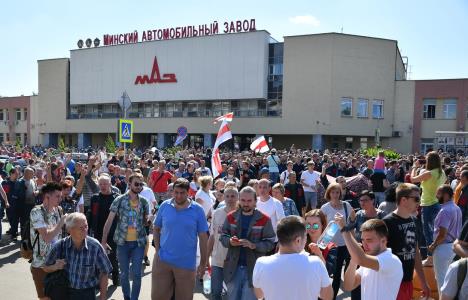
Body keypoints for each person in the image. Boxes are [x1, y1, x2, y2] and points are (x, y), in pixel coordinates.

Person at [151, 178, 209, 300]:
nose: (178, 195)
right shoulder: (165, 205)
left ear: (188, 193)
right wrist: (157, 251)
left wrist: (203, 263)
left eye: (182, 193)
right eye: (176, 192)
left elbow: (203, 238)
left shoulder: (198, 210)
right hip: (163, 261)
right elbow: (156, 228)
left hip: (186, 264)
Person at [253, 216, 333, 300]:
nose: (306, 239)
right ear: (298, 240)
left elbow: (259, 295)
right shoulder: (316, 262)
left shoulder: (261, 263)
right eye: (305, 236)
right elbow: (327, 296)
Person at [220, 186, 275, 300]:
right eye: (243, 200)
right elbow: (223, 236)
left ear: (255, 201)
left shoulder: (264, 219)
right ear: (239, 200)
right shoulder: (231, 216)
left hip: (254, 268)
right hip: (233, 268)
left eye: (249, 200)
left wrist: (253, 245)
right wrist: (230, 241)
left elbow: (270, 243)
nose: (246, 203)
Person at [101, 173, 149, 300]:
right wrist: (103, 241)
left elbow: (145, 222)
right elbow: (109, 221)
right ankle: (127, 297)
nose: (139, 187)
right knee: (124, 274)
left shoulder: (144, 202)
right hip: (122, 243)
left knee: (137, 274)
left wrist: (148, 220)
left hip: (138, 243)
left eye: (141, 184)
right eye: (136, 184)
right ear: (129, 184)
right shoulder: (120, 199)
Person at [44, 213, 112, 300]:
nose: (85, 230)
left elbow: (104, 272)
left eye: (86, 226)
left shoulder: (95, 246)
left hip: (87, 294)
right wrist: (55, 266)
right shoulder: (60, 246)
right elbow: (45, 267)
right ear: (70, 230)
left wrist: (103, 297)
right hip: (64, 292)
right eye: (81, 228)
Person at [383, 183, 431, 300]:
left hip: (408, 281)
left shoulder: (414, 220)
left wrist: (423, 282)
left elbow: (416, 252)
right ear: (403, 200)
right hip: (391, 283)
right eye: (416, 199)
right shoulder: (386, 223)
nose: (419, 202)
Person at [338, 217, 403, 300]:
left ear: (383, 241)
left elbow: (361, 259)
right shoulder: (366, 261)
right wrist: (353, 261)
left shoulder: (391, 260)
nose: (364, 245)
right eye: (362, 240)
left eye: (369, 240)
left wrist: (344, 229)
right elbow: (348, 286)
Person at [29, 182, 67, 300]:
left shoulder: (58, 210)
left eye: (61, 196)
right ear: (47, 197)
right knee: (45, 298)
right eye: (57, 196)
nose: (60, 199)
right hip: (41, 265)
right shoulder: (36, 212)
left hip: (58, 263)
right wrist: (61, 223)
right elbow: (47, 237)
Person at [410, 151, 447, 266]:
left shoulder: (429, 173)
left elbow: (412, 179)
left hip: (428, 205)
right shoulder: (442, 173)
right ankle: (436, 257)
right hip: (438, 204)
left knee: (428, 232)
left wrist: (414, 167)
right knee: (437, 231)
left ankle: (430, 258)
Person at [320, 183, 356, 298]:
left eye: (337, 192)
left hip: (343, 243)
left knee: (337, 272)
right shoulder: (325, 208)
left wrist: (348, 228)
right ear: (329, 193)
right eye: (333, 192)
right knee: (325, 272)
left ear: (340, 193)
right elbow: (321, 225)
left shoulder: (346, 205)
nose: (335, 195)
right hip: (328, 244)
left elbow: (353, 218)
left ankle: (333, 296)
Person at [88, 174, 120, 286]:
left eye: (105, 184)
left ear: (110, 184)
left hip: (113, 232)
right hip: (97, 232)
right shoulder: (95, 198)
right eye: (100, 184)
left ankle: (115, 275)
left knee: (112, 256)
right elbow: (90, 214)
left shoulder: (116, 198)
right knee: (97, 257)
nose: (103, 186)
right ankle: (98, 280)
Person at [429, 185, 462, 292]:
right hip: (452, 248)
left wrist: (433, 245)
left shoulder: (445, 210)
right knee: (448, 280)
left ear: (446, 195)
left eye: (438, 193)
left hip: (443, 248)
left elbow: (442, 234)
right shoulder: (456, 208)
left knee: (441, 280)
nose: (436, 196)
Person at [208, 187, 239, 300]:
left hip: (235, 262)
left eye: (233, 196)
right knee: (215, 293)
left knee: (233, 295)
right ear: (223, 198)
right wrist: (206, 259)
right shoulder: (217, 213)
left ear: (238, 197)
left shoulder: (242, 214)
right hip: (217, 260)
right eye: (227, 196)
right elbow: (212, 236)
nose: (230, 199)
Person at [256, 179, 285, 247]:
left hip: (272, 241)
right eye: (260, 187)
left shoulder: (277, 203)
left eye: (264, 187)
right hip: (256, 241)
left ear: (269, 189)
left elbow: (282, 223)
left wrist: (280, 240)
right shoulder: (253, 201)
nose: (262, 189)